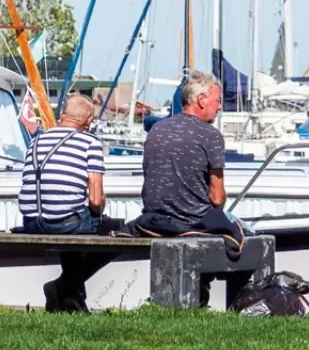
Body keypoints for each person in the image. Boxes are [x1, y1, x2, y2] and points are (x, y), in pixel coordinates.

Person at [16, 95, 110, 312]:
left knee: (71, 221)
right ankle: (62, 287)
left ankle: (73, 300)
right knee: (112, 231)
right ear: (88, 122)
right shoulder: (90, 142)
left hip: (32, 222)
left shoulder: (36, 141)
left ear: (62, 115)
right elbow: (95, 200)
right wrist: (101, 208)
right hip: (64, 223)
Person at [126, 70, 242, 247]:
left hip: (153, 220)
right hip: (192, 222)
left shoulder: (156, 129)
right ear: (202, 99)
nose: (219, 107)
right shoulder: (211, 135)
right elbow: (217, 198)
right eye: (217, 101)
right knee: (244, 232)